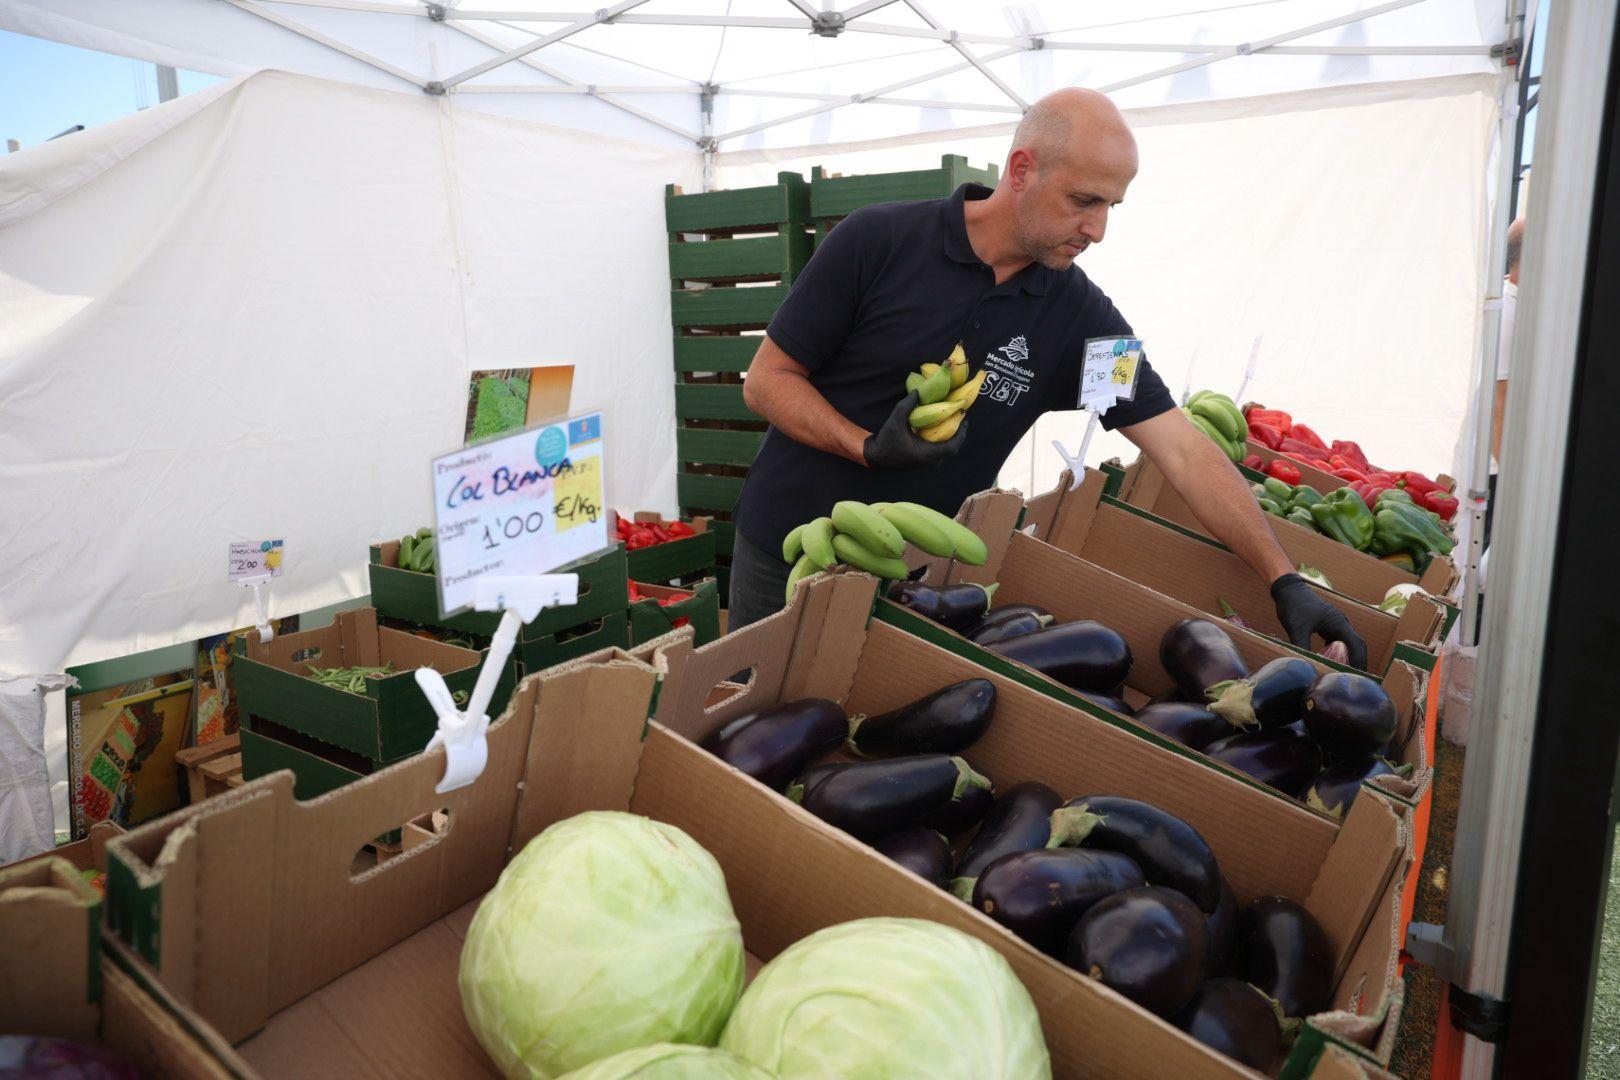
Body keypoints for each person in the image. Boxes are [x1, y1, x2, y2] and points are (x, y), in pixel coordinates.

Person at [728, 88, 1367, 667]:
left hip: (916, 579)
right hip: (786, 546)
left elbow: (1181, 447)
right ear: (1022, 170)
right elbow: (767, 380)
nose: (1097, 230)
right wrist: (863, 445)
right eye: (1084, 202)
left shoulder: (1081, 321)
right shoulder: (879, 241)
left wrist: (1285, 580)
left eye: (1111, 206)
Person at [1484, 215, 1523, 549]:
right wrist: (1509, 474)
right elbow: (1501, 402)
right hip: (1496, 468)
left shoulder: (1511, 303)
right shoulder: (1507, 313)